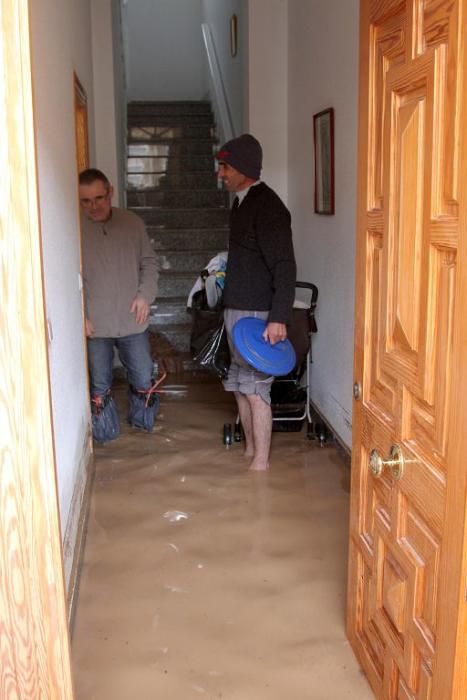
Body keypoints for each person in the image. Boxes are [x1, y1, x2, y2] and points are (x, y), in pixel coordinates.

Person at [216, 134, 296, 471]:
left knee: (257, 388)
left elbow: (285, 265)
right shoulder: (241, 201)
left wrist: (278, 317)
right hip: (236, 308)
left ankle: (261, 465)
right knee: (238, 383)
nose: (221, 173)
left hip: (258, 314)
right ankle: (250, 452)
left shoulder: (269, 207)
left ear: (244, 169)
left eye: (226, 167)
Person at [79, 168, 159, 443]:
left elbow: (149, 263)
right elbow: (65, 276)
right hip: (94, 325)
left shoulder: (132, 223)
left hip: (132, 319)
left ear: (110, 192)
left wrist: (144, 296)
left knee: (143, 380)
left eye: (99, 198)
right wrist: (79, 314)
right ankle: (107, 439)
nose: (93, 206)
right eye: (86, 201)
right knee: (99, 386)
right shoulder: (74, 229)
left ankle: (143, 440)